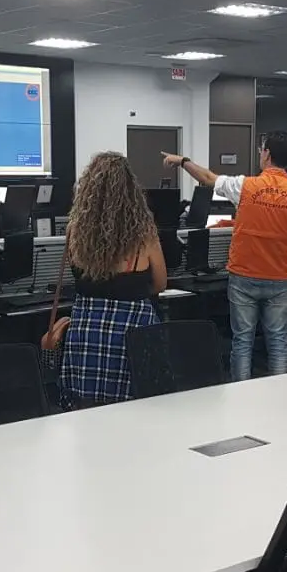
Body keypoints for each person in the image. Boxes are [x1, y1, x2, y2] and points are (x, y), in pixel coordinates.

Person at [164, 131, 287, 380]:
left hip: (244, 276)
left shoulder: (245, 186)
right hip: (279, 279)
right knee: (278, 341)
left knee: (242, 341)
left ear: (267, 154)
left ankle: (240, 395)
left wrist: (182, 161)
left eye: (261, 149)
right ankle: (281, 393)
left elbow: (207, 178)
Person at [59, 152, 167, 409]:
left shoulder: (75, 231)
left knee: (87, 408)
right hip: (134, 330)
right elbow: (161, 283)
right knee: (137, 405)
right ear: (131, 191)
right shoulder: (144, 234)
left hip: (87, 331)